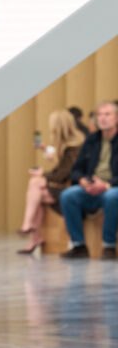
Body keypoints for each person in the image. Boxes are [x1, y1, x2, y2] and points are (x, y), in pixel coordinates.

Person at [18, 110, 85, 253]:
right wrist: (44, 149)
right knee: (37, 190)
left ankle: (29, 229)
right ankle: (33, 236)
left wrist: (44, 174)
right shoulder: (70, 144)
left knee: (35, 184)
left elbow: (63, 174)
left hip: (72, 189)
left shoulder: (74, 147)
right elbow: (58, 161)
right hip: (65, 186)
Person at [60, 101, 118, 259]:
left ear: (116, 118)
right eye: (99, 115)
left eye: (107, 114)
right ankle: (78, 245)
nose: (102, 118)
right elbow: (76, 170)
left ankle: (109, 246)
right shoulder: (91, 140)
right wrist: (82, 181)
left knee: (112, 196)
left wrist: (107, 184)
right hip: (91, 187)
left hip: (112, 187)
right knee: (68, 195)